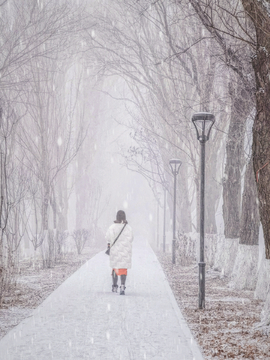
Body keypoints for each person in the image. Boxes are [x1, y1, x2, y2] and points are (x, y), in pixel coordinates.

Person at [105, 210, 133, 295]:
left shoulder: (112, 227)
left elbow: (107, 238)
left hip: (115, 251)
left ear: (117, 216)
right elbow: (131, 238)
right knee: (123, 269)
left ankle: (114, 286)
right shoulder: (128, 228)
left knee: (115, 269)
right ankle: (122, 286)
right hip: (125, 252)